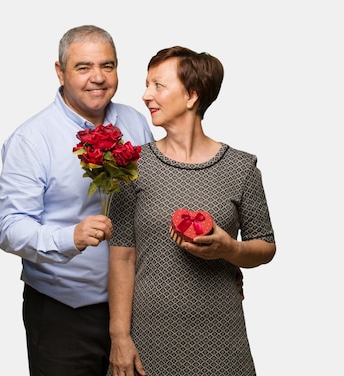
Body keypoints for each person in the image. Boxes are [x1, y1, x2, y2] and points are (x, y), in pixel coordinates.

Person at [107, 46, 276, 376]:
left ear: (192, 96)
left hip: (221, 337)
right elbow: (121, 257)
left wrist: (230, 248)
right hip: (148, 337)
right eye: (146, 84)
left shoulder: (241, 168)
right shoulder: (132, 166)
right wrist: (119, 337)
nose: (145, 95)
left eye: (158, 85)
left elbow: (266, 247)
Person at [0, 25, 154, 376]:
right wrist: (70, 237)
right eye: (84, 67)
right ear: (60, 71)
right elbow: (9, 229)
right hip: (63, 314)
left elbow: (154, 202)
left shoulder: (135, 121)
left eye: (108, 66)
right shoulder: (31, 139)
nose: (98, 77)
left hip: (135, 309)